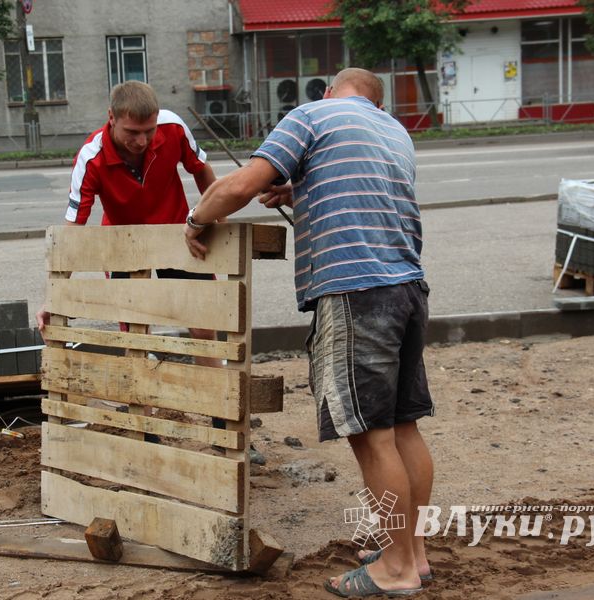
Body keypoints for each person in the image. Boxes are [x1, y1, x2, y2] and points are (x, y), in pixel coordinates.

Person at [182, 68, 434, 597]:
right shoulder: (394, 132)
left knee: (371, 436)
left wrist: (197, 217)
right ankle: (414, 554)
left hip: (354, 292)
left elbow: (241, 185)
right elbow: (363, 200)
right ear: (375, 101)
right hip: (406, 289)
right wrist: (299, 193)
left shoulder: (310, 115)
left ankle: (395, 569)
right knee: (404, 426)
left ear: (328, 91)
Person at [36, 80, 219, 369]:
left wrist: (214, 218)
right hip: (122, 244)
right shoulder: (91, 157)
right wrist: (53, 296)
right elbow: (73, 232)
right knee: (135, 332)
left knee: (203, 326)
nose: (143, 141)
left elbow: (201, 170)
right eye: (132, 132)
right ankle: (143, 407)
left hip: (176, 234)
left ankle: (217, 407)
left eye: (150, 130)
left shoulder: (173, 127)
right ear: (112, 117)